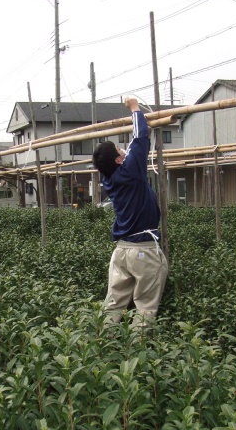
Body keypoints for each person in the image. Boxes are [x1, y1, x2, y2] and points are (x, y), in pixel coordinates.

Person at [92, 96, 169, 327]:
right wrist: (135, 108)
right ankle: (138, 356)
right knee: (145, 307)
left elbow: (135, 144)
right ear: (118, 159)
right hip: (142, 250)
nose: (124, 150)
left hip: (122, 252)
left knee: (113, 304)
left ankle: (103, 344)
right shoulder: (131, 170)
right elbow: (140, 137)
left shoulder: (109, 179)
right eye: (119, 149)